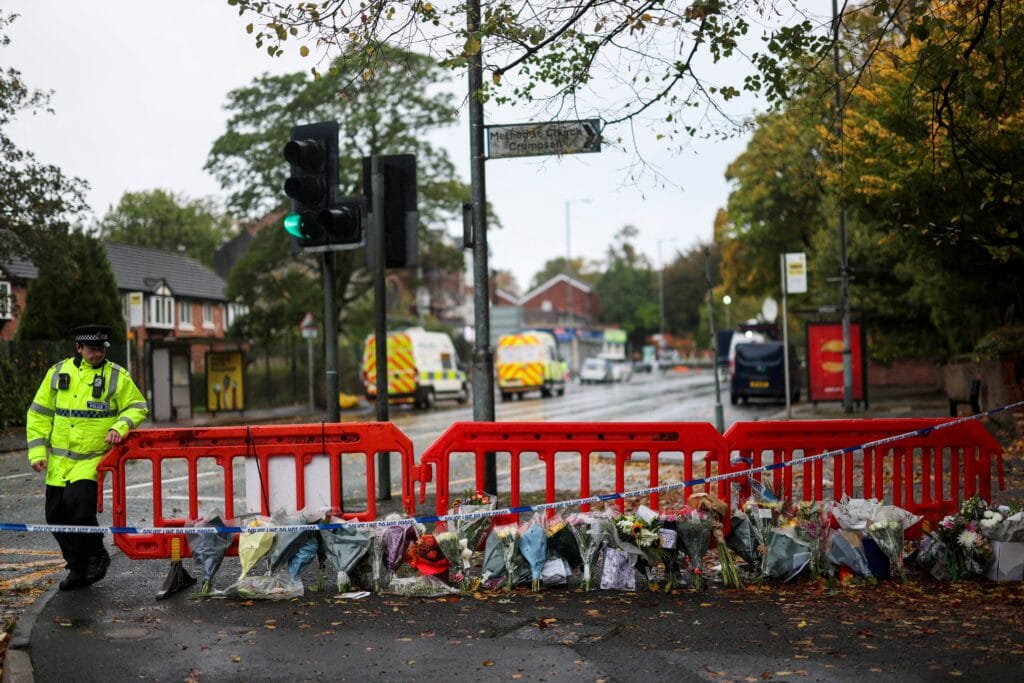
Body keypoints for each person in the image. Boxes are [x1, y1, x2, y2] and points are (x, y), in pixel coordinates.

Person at [26, 324, 149, 591]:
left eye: (101, 349)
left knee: (79, 511)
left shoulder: (116, 375)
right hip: (59, 462)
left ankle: (96, 554)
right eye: (91, 350)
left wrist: (120, 426)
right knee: (55, 516)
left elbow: (138, 406)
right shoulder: (58, 373)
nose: (97, 354)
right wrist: (37, 452)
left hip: (92, 459)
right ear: (79, 348)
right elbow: (38, 414)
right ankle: (77, 569)